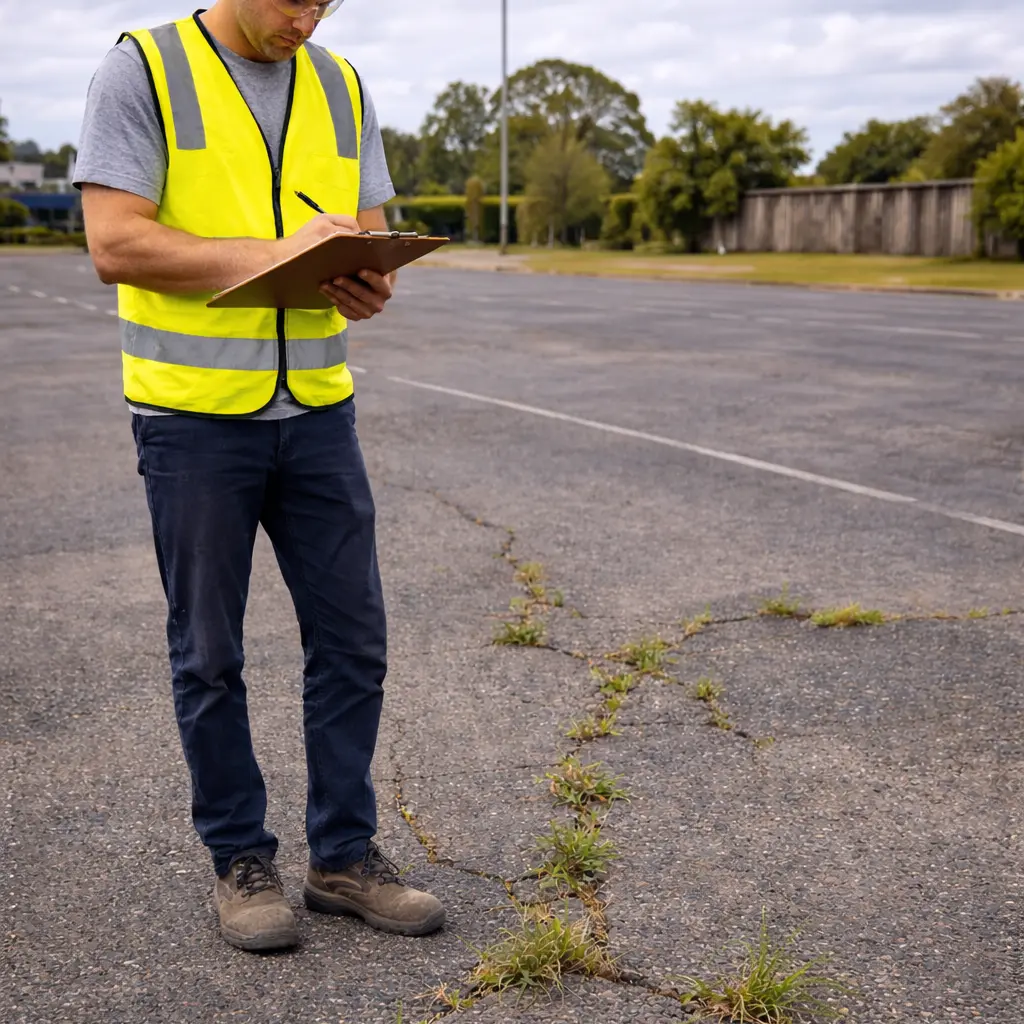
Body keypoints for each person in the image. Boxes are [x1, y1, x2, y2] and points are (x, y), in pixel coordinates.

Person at [75, 0, 445, 953]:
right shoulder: (143, 69)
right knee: (210, 653)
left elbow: (364, 238)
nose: (308, 18)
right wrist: (274, 255)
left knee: (354, 641)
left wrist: (368, 280)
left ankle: (344, 857)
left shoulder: (341, 83)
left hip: (319, 410)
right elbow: (116, 243)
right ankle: (240, 859)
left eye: (327, 0)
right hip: (194, 421)